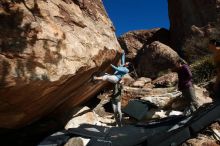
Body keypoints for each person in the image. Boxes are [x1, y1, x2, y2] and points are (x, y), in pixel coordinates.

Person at [93, 51, 130, 126]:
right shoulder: (123, 65)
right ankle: (118, 123)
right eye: (126, 62)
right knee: (115, 111)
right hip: (114, 98)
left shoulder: (126, 70)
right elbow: (123, 59)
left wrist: (111, 65)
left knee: (118, 111)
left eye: (127, 63)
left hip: (116, 80)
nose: (126, 62)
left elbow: (118, 70)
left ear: (128, 65)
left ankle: (96, 78)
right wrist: (123, 53)